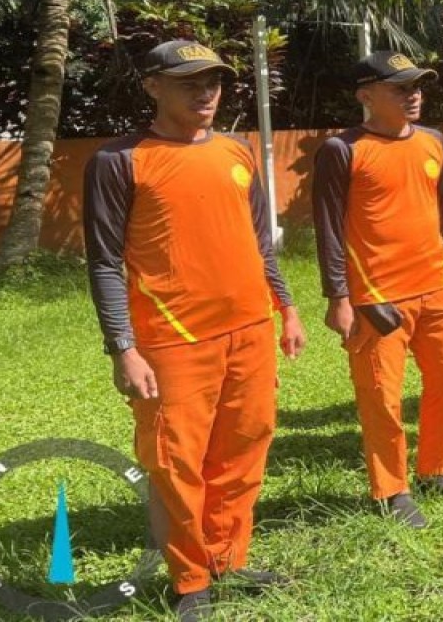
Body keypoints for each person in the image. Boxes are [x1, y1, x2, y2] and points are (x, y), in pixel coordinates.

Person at [84, 40, 306, 622]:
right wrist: (122, 348)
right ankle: (189, 581)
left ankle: (229, 560)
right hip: (172, 341)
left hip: (250, 331)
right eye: (188, 82)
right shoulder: (120, 161)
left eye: (213, 81)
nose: (205, 92)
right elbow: (105, 261)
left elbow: (261, 241)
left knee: (244, 447)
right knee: (176, 462)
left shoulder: (237, 151)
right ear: (152, 87)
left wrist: (286, 307)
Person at [312, 52, 443, 530]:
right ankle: (391, 489)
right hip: (377, 297)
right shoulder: (342, 150)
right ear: (366, 96)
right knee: (381, 398)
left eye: (417, 87)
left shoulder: (433, 142)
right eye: (400, 88)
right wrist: (338, 296)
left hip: (437, 288)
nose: (414, 96)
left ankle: (438, 470)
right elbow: (328, 229)